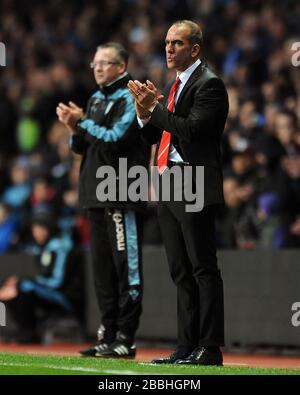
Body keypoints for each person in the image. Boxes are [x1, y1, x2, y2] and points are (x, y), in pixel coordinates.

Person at [128, 20, 228, 365]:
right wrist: (144, 115)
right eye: (167, 42)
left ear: (195, 49)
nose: (168, 48)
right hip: (169, 182)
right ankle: (186, 346)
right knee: (180, 270)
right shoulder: (175, 86)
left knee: (202, 268)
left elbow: (192, 131)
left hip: (194, 181)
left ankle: (210, 348)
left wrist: (154, 111)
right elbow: (153, 137)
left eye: (178, 43)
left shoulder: (209, 85)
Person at [56, 43, 147, 358]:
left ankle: (126, 336)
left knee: (127, 268)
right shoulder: (95, 97)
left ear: (121, 67)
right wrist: (74, 128)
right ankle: (108, 334)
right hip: (95, 194)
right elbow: (82, 147)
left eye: (105, 63)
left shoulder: (129, 96)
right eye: (94, 63)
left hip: (121, 191)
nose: (97, 68)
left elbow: (115, 140)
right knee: (103, 271)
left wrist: (82, 122)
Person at [0, 213, 84, 343]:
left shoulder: (59, 247)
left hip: (64, 297)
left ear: (48, 229)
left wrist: (29, 281)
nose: (37, 233)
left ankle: (28, 333)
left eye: (40, 229)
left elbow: (57, 282)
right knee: (16, 287)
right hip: (48, 292)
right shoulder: (42, 248)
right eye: (35, 230)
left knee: (24, 287)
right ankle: (25, 330)